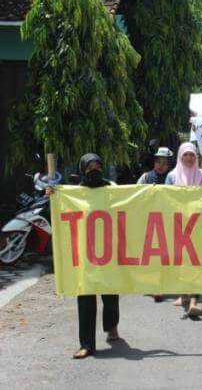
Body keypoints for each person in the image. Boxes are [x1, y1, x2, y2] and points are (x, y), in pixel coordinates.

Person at [47, 153, 119, 359]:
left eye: (97, 166)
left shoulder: (113, 189)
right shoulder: (74, 193)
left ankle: (112, 325)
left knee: (111, 294)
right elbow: (60, 206)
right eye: (89, 167)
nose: (94, 170)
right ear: (82, 169)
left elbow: (132, 203)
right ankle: (86, 344)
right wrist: (53, 194)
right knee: (85, 296)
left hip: (109, 252)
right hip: (84, 255)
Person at [165, 142, 202, 317]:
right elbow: (166, 199)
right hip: (178, 225)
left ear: (196, 157)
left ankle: (194, 300)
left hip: (198, 225)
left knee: (195, 261)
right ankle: (184, 294)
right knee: (181, 261)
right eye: (186, 155)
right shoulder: (171, 177)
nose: (189, 158)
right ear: (180, 157)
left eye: (192, 155)